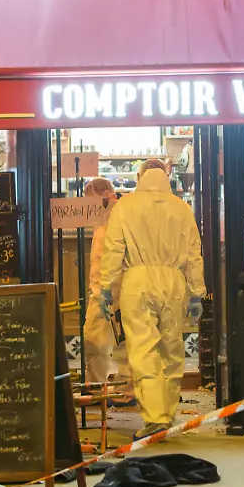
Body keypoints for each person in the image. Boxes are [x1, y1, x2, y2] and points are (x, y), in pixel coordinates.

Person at [98, 159, 206, 438]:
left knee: (143, 349)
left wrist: (106, 287)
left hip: (138, 280)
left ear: (140, 176)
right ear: (167, 175)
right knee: (172, 350)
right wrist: (197, 292)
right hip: (174, 281)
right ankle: (166, 415)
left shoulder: (126, 206)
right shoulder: (182, 208)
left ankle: (155, 417)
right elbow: (194, 253)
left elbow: (113, 248)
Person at [83, 178, 130, 398]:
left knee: (122, 341)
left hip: (118, 286)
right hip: (101, 287)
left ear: (104, 193)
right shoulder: (101, 215)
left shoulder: (122, 211)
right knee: (95, 337)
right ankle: (96, 388)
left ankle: (124, 390)